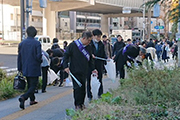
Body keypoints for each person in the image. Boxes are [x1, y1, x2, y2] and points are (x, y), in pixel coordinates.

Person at [63, 31, 97, 110]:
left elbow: (90, 59)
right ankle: (77, 104)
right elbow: (66, 56)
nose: (89, 42)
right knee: (77, 88)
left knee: (83, 88)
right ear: (84, 38)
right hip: (75, 70)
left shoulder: (88, 47)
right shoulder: (73, 45)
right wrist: (65, 66)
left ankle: (82, 103)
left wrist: (93, 69)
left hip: (84, 70)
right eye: (88, 40)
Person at [17, 26, 42, 110]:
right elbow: (39, 56)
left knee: (30, 84)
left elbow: (19, 57)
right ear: (35, 34)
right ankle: (24, 97)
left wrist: (19, 68)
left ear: (27, 33)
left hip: (25, 67)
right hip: (34, 67)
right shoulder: (37, 43)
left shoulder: (22, 43)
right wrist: (40, 61)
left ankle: (32, 100)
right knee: (33, 85)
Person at [87, 29, 106, 101]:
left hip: (99, 64)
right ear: (93, 36)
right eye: (97, 36)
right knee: (89, 80)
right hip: (90, 65)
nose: (99, 38)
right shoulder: (89, 44)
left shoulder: (101, 44)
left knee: (99, 79)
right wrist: (90, 55)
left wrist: (107, 59)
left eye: (100, 37)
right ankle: (90, 95)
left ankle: (100, 94)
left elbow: (103, 54)